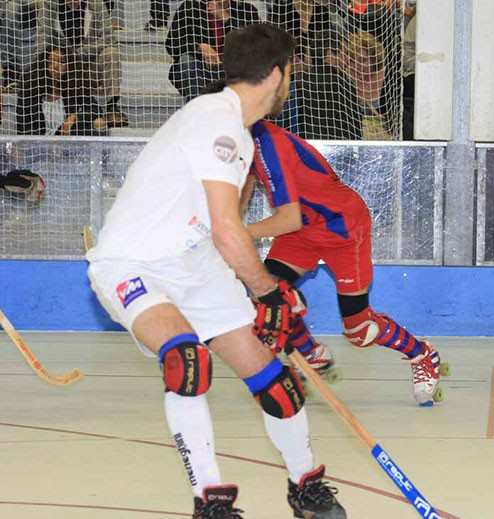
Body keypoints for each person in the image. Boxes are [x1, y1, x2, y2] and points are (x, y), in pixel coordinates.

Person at [85, 24, 346, 518]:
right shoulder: (217, 122)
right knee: (188, 361)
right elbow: (230, 230)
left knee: (276, 381)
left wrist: (268, 298)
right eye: (290, 72)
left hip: (194, 263)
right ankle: (210, 500)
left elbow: (220, 235)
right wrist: (270, 294)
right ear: (277, 74)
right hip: (133, 262)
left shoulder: (239, 133)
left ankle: (305, 485)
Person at [241, 118, 449, 406]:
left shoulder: (268, 143)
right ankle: (311, 354)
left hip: (341, 226)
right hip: (302, 229)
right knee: (266, 291)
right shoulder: (240, 141)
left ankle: (421, 353)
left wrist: (239, 233)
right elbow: (245, 186)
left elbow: (286, 219)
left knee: (360, 330)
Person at [39, 0, 128, 128]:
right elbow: (42, 40)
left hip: (90, 66)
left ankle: (111, 106)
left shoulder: (96, 5)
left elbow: (109, 38)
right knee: (52, 59)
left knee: (111, 53)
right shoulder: (49, 6)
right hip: (62, 68)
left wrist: (79, 52)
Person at [165, 0, 260, 102]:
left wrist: (225, 19)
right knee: (186, 61)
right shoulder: (190, 8)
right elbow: (172, 45)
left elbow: (254, 47)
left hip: (234, 71)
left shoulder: (247, 10)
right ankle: (199, 107)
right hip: (202, 70)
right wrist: (199, 48)